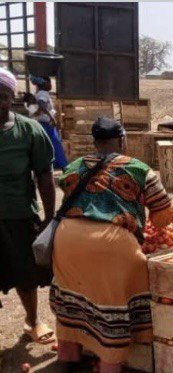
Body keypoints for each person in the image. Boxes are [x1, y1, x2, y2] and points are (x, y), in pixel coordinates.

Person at [50, 117, 173, 373]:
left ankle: (67, 357)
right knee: (114, 305)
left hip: (66, 239)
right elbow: (163, 214)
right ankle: (109, 364)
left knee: (72, 297)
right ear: (122, 140)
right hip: (111, 244)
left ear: (95, 142)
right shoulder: (139, 169)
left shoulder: (74, 166)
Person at [0, 67, 56, 347]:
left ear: (12, 98)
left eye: (2, 96)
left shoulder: (29, 130)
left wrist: (49, 217)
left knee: (26, 273)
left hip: (19, 215)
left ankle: (32, 321)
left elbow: (44, 175)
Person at [28, 76, 68, 169]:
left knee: (48, 146)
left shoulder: (39, 93)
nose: (50, 84)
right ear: (44, 84)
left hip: (43, 124)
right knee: (55, 144)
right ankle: (63, 166)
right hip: (46, 125)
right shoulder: (43, 93)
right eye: (49, 82)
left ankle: (52, 165)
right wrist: (52, 118)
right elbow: (42, 104)